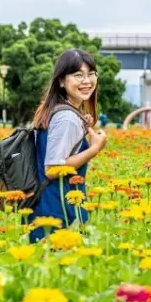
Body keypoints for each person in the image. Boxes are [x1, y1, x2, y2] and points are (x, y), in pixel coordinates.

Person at [26, 49, 107, 242]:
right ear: (61, 81)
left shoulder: (59, 110)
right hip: (58, 210)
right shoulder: (67, 118)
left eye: (91, 74)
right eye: (78, 75)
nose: (87, 81)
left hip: (46, 206)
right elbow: (53, 169)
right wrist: (94, 149)